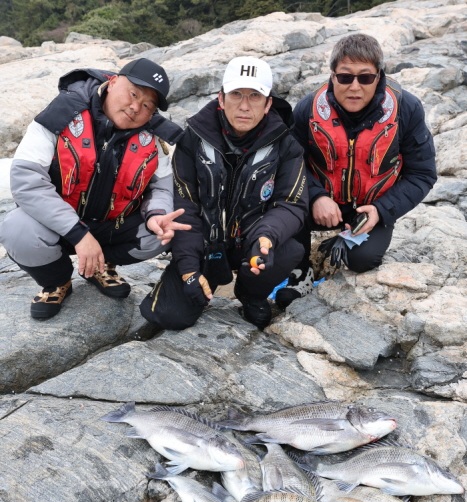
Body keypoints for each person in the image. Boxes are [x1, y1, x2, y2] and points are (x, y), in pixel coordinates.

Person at [0, 58, 191, 319]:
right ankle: (57, 281)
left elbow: (162, 188)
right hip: (57, 225)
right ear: (112, 83)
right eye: (133, 94)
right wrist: (79, 234)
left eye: (148, 105)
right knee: (16, 228)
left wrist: (157, 214)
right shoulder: (62, 114)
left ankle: (100, 265)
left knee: (164, 232)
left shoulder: (153, 137)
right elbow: (26, 181)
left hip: (111, 226)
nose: (136, 107)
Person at [140, 56, 308, 330]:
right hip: (205, 242)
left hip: (253, 242)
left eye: (255, 96)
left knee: (288, 250)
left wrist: (266, 236)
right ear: (221, 98)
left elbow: (291, 203)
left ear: (268, 104)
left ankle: (250, 293)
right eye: (236, 94)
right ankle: (204, 276)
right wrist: (188, 269)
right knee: (169, 316)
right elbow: (184, 206)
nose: (244, 106)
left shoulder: (286, 145)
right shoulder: (192, 138)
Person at [275, 33, 437, 309]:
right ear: (332, 75)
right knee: (281, 215)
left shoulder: (406, 109)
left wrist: (381, 210)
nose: (354, 86)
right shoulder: (308, 109)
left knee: (363, 259)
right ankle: (300, 272)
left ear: (378, 76)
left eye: (365, 77)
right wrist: (316, 196)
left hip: (372, 206)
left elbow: (422, 174)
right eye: (345, 77)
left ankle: (348, 239)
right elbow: (289, 164)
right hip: (322, 201)